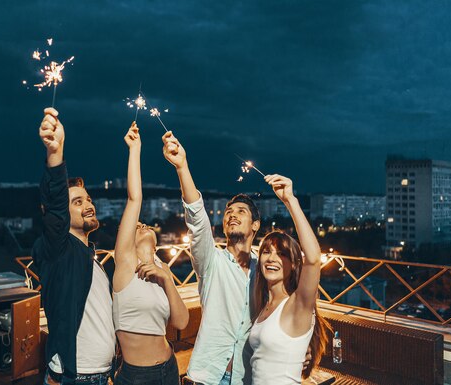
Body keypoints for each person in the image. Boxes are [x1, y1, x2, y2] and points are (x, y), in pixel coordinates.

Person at [161, 131, 261, 385]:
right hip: (206, 377)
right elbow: (197, 219)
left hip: (246, 377)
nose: (232, 215)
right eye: (229, 211)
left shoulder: (266, 269)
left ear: (256, 226)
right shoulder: (211, 262)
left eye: (241, 211)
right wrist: (182, 166)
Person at [33, 107, 115, 385]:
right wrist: (56, 153)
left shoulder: (92, 258)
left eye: (88, 199)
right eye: (78, 202)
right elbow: (55, 204)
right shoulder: (60, 250)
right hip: (75, 377)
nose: (88, 205)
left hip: (101, 375)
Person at [112, 122, 189, 385]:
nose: (142, 224)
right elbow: (135, 199)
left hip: (169, 366)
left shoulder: (161, 267)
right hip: (137, 376)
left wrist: (167, 279)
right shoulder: (125, 262)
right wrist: (135, 149)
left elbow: (180, 322)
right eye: (136, 226)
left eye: (145, 224)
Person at [248, 175, 330, 385]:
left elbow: (312, 259)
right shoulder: (264, 305)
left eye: (282, 254)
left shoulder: (296, 305)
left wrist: (290, 201)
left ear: (294, 264)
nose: (272, 258)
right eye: (266, 252)